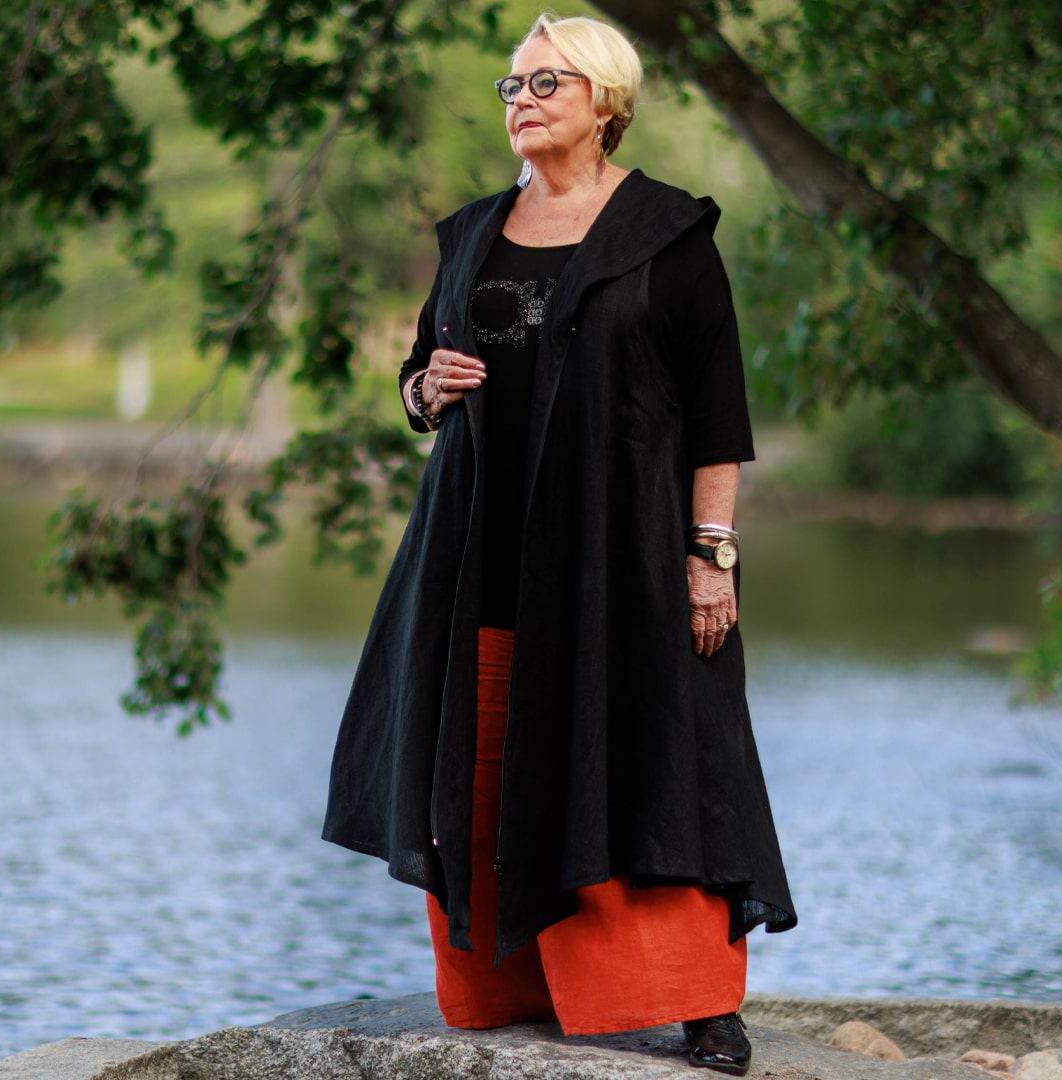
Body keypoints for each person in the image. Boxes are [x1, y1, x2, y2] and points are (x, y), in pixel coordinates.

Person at [321, 13, 797, 1074]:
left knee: (655, 759)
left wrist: (708, 554)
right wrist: (423, 390)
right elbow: (418, 380)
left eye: (546, 82)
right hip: (477, 551)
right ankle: (513, 981)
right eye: (512, 85)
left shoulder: (669, 239)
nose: (521, 100)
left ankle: (695, 1004)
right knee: (486, 757)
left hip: (622, 559)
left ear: (605, 102)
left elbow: (719, 417)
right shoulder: (473, 235)